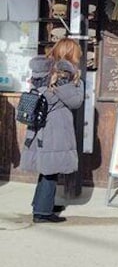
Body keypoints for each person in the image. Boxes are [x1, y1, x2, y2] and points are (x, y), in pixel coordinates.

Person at [20, 39, 84, 223]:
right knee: (51, 169)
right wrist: (74, 84)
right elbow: (75, 101)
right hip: (54, 126)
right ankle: (42, 212)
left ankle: (41, 203)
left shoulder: (41, 71)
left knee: (47, 166)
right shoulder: (63, 75)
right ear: (71, 53)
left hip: (41, 125)